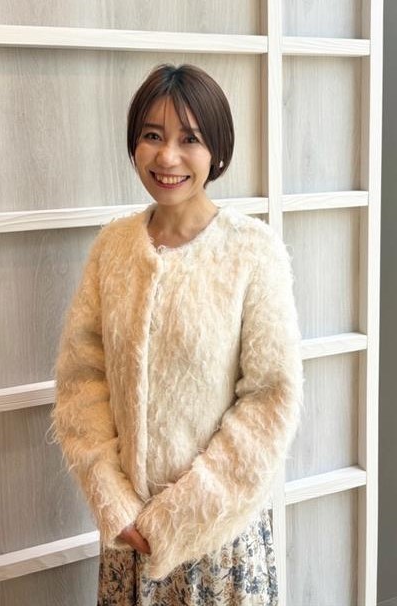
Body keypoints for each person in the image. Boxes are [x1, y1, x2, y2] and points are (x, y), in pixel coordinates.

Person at [50, 63, 304, 605]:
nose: (167, 157)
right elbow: (82, 381)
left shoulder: (251, 252)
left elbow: (269, 399)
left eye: (189, 139)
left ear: (217, 150)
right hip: (128, 539)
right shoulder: (112, 248)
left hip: (217, 541)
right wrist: (115, 504)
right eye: (152, 135)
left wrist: (182, 514)